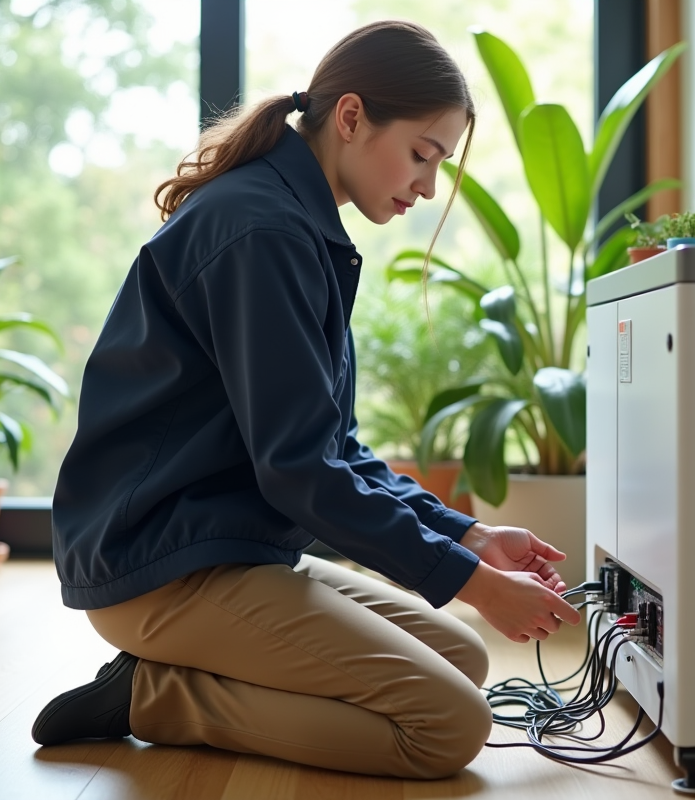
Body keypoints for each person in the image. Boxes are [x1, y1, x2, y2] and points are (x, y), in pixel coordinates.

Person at [31, 20, 582, 780]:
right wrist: (477, 584)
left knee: (460, 653)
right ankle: (154, 696)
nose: (427, 187)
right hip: (160, 562)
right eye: (423, 155)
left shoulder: (299, 225)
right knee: (446, 726)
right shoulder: (262, 229)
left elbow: (335, 448)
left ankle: (187, 675)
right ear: (351, 117)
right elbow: (300, 471)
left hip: (224, 545)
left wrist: (470, 538)